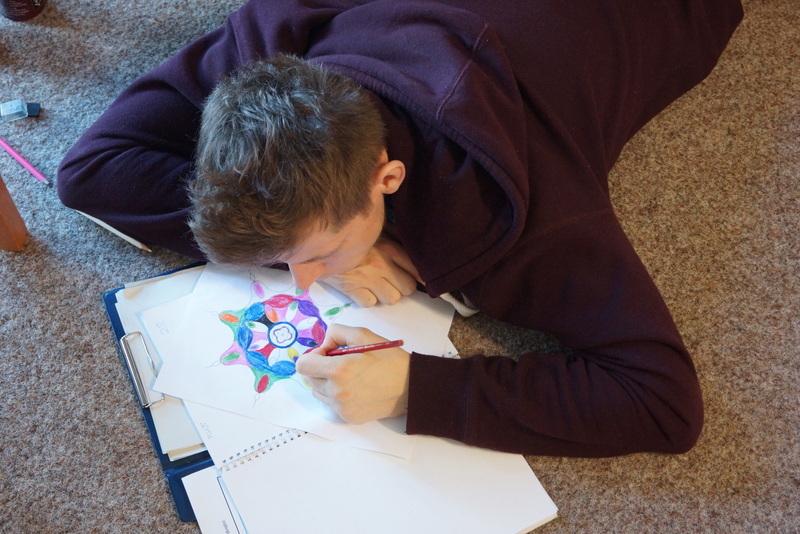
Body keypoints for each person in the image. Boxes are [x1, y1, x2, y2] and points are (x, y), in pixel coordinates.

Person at [57, 0, 743, 456]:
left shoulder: (526, 214)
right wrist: (351, 247)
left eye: (319, 253)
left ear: (387, 179)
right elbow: (91, 169)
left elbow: (662, 402)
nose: (301, 285)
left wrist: (418, 387)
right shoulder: (273, 46)